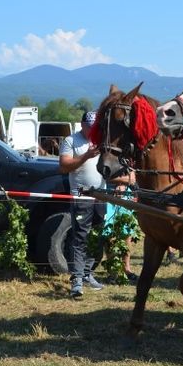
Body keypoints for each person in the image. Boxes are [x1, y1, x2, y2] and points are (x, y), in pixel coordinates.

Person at [60, 110, 107, 299]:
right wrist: (86, 156)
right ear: (82, 125)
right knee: (80, 237)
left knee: (97, 237)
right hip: (80, 195)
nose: (92, 130)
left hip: (101, 196)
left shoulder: (102, 139)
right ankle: (77, 280)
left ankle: (88, 273)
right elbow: (63, 167)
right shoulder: (71, 141)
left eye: (95, 126)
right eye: (89, 126)